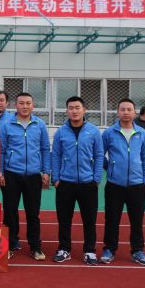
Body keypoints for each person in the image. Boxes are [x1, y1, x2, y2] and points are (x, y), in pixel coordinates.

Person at [51, 96, 104, 265]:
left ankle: (89, 251)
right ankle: (64, 249)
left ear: (84, 110)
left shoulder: (93, 131)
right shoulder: (61, 132)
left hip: (88, 183)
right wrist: (56, 179)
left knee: (89, 220)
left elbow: (99, 155)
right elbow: (56, 155)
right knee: (64, 220)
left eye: (77, 107)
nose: (74, 111)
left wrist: (96, 179)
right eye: (71, 108)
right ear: (67, 111)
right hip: (65, 183)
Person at [0, 92, 50, 260]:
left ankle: (35, 247)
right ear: (15, 105)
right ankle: (10, 244)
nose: (25, 106)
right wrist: (1, 172)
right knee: (10, 212)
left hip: (33, 175)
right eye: (21, 103)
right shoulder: (6, 125)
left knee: (33, 213)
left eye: (28, 103)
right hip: (11, 174)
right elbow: (1, 150)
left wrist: (46, 171)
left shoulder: (40, 124)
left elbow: (45, 149)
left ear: (33, 105)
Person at [100, 98, 145, 266]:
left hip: (137, 185)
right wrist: (110, 168)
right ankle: (109, 249)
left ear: (134, 113)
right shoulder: (109, 133)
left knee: (137, 221)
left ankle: (137, 250)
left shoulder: (142, 133)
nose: (126, 112)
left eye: (129, 109)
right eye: (122, 109)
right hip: (114, 185)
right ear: (117, 112)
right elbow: (100, 155)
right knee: (111, 220)